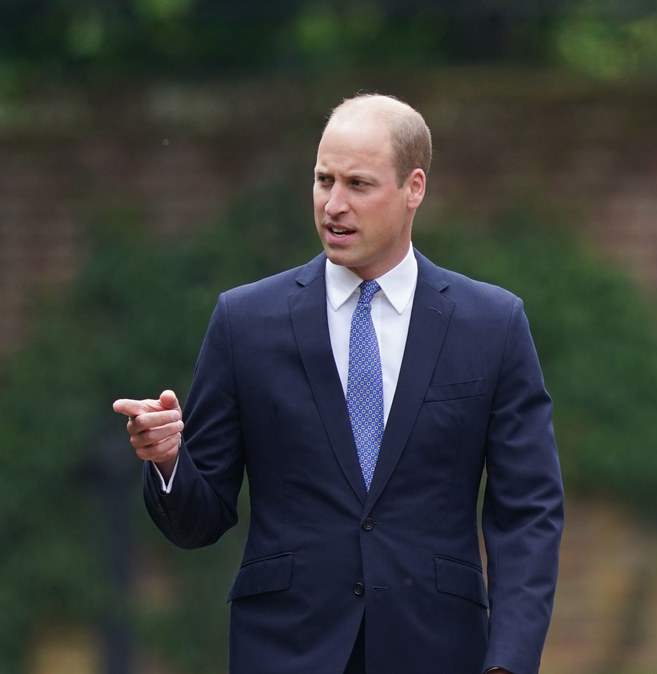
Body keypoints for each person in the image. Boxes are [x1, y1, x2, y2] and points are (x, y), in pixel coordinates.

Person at [113, 94, 564, 674]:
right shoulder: (244, 322)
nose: (334, 204)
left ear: (414, 188)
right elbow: (199, 521)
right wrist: (170, 461)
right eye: (323, 180)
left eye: (358, 184)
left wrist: (509, 661)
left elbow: (527, 510)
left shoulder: (493, 324)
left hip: (439, 649)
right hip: (283, 650)